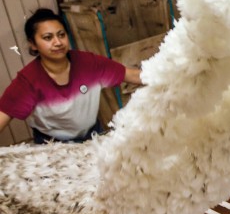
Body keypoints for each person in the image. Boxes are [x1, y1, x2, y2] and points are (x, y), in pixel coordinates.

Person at [0, 8, 142, 144]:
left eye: (61, 35)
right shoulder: (28, 81)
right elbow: (2, 116)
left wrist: (162, 76)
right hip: (52, 148)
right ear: (33, 44)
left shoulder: (89, 63)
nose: (58, 42)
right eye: (48, 37)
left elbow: (132, 75)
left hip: (93, 137)